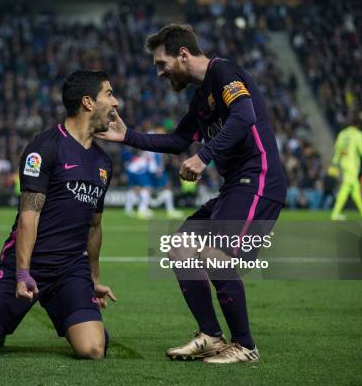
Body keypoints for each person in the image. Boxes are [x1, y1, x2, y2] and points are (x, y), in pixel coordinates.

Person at [97, 24, 287, 363]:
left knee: (217, 256)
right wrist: (128, 137)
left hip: (259, 181)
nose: (159, 73)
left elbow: (245, 115)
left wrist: (204, 156)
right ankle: (212, 336)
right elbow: (179, 141)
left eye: (161, 63)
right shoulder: (201, 99)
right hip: (236, 186)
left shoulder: (223, 71)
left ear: (183, 54)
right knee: (180, 246)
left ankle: (245, 345)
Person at [0, 70, 118, 359]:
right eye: (109, 94)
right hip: (27, 264)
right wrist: (21, 273)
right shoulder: (43, 149)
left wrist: (93, 279)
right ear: (88, 102)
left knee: (93, 349)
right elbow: (28, 216)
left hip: (70, 269)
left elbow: (94, 226)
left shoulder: (103, 162)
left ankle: (85, 319)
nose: (116, 102)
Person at [329, 118, 362, 220]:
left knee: (355, 189)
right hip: (352, 164)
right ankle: (335, 213)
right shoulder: (358, 134)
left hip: (344, 163)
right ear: (357, 125)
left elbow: (338, 148)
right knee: (346, 188)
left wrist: (335, 163)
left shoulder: (342, 134)